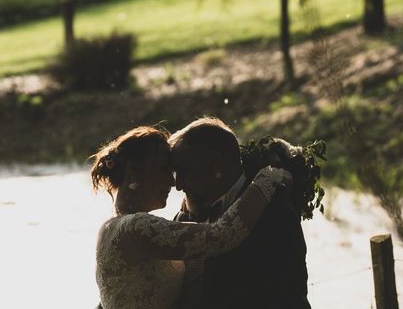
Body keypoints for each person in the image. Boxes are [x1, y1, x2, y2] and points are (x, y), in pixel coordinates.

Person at [90, 125, 292, 309]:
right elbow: (222, 234)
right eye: (163, 169)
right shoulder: (136, 227)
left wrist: (192, 215)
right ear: (134, 174)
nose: (172, 182)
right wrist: (268, 178)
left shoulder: (109, 229)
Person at [170, 116, 311, 309]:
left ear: (215, 162)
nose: (178, 186)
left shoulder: (274, 214)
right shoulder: (183, 217)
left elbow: (287, 298)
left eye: (184, 171)